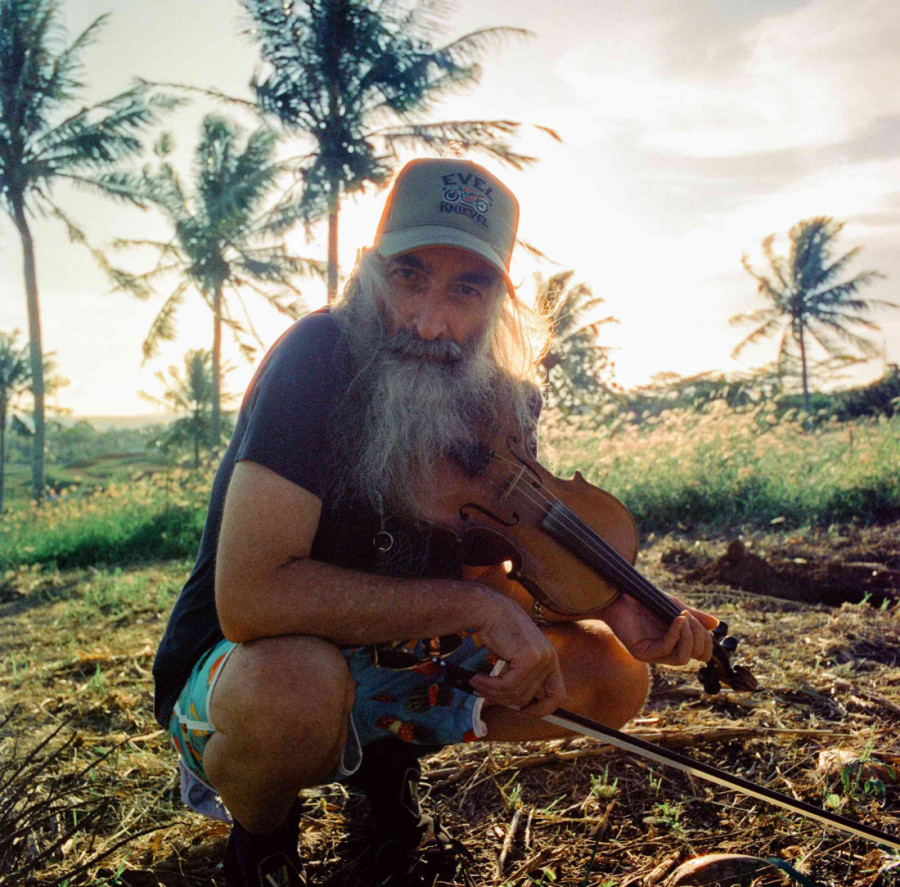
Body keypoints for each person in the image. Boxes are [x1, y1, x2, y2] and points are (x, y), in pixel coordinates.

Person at [152, 157, 717, 887]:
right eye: (409, 275)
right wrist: (476, 608)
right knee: (296, 687)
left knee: (612, 674)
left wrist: (614, 608)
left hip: (399, 668)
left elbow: (493, 577)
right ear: (370, 270)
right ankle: (262, 833)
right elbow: (251, 598)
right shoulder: (313, 359)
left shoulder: (502, 402)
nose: (428, 321)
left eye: (466, 289)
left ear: (499, 301)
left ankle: (385, 767)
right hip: (249, 671)